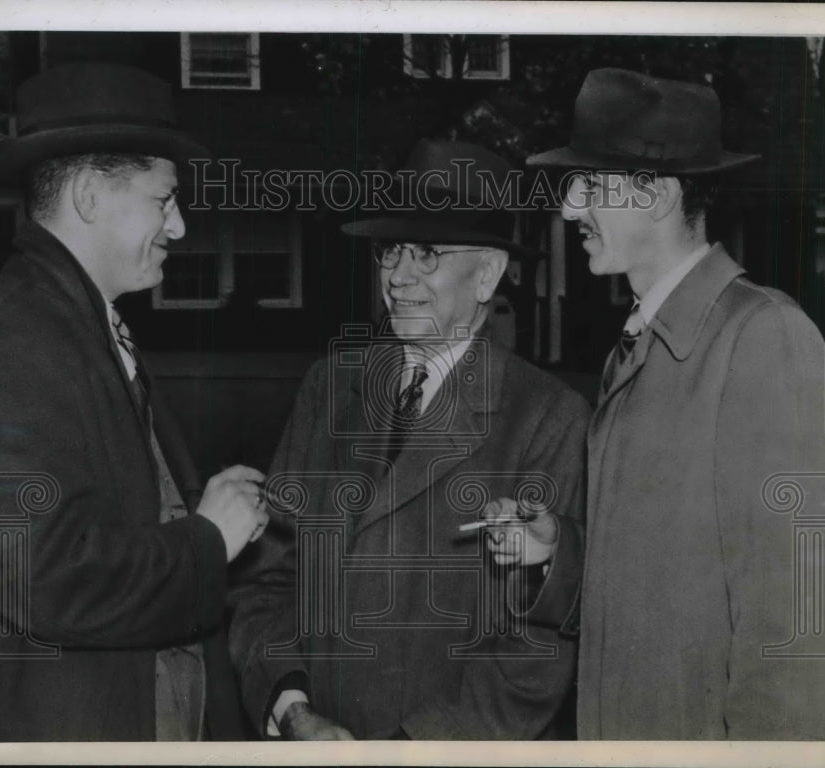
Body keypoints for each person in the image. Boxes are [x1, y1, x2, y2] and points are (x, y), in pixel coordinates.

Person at [486, 67, 825, 740]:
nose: (569, 210)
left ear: (655, 194)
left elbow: (794, 628)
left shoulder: (762, 337)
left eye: (589, 186)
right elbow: (659, 578)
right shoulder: (642, 344)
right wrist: (559, 551)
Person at [0, 62, 268, 741]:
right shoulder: (16, 341)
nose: (177, 227)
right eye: (163, 199)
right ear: (89, 195)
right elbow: (46, 577)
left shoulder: (77, 320)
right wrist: (208, 540)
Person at [228, 140, 590, 740]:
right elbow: (268, 581)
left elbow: (536, 653)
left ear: (487, 275)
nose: (397, 276)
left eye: (426, 254)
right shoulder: (330, 389)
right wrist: (292, 709)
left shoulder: (546, 419)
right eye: (390, 250)